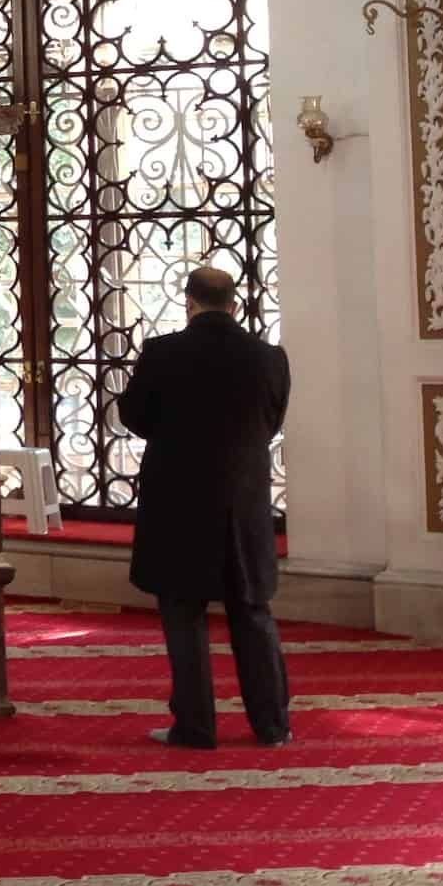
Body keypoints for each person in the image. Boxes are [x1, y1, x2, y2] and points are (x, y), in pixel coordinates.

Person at [118, 263, 295, 751]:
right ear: (233, 304)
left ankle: (195, 728)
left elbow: (135, 417)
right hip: (244, 504)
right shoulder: (268, 358)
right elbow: (271, 421)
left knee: (183, 613)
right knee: (252, 611)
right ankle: (272, 725)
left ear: (189, 302)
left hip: (178, 504)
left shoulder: (162, 353)